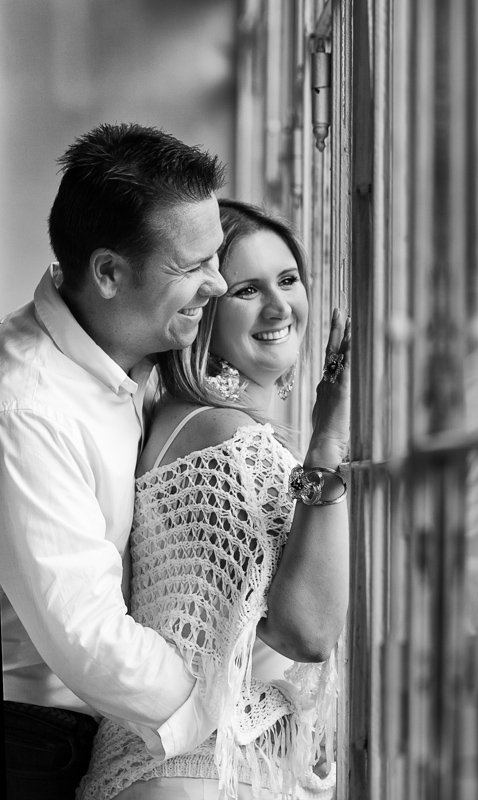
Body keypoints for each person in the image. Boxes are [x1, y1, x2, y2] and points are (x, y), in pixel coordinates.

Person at [77, 199, 351, 800]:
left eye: (288, 279)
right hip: (199, 777)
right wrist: (328, 443)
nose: (280, 307)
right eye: (248, 290)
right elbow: (305, 630)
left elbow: (237, 640)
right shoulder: (230, 444)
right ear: (203, 309)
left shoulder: (181, 423)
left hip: (166, 772)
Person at [0, 122, 229, 798]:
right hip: (35, 745)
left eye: (216, 257)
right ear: (107, 272)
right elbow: (87, 637)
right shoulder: (25, 406)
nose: (215, 284)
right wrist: (231, 709)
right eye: (191, 268)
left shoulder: (135, 349)